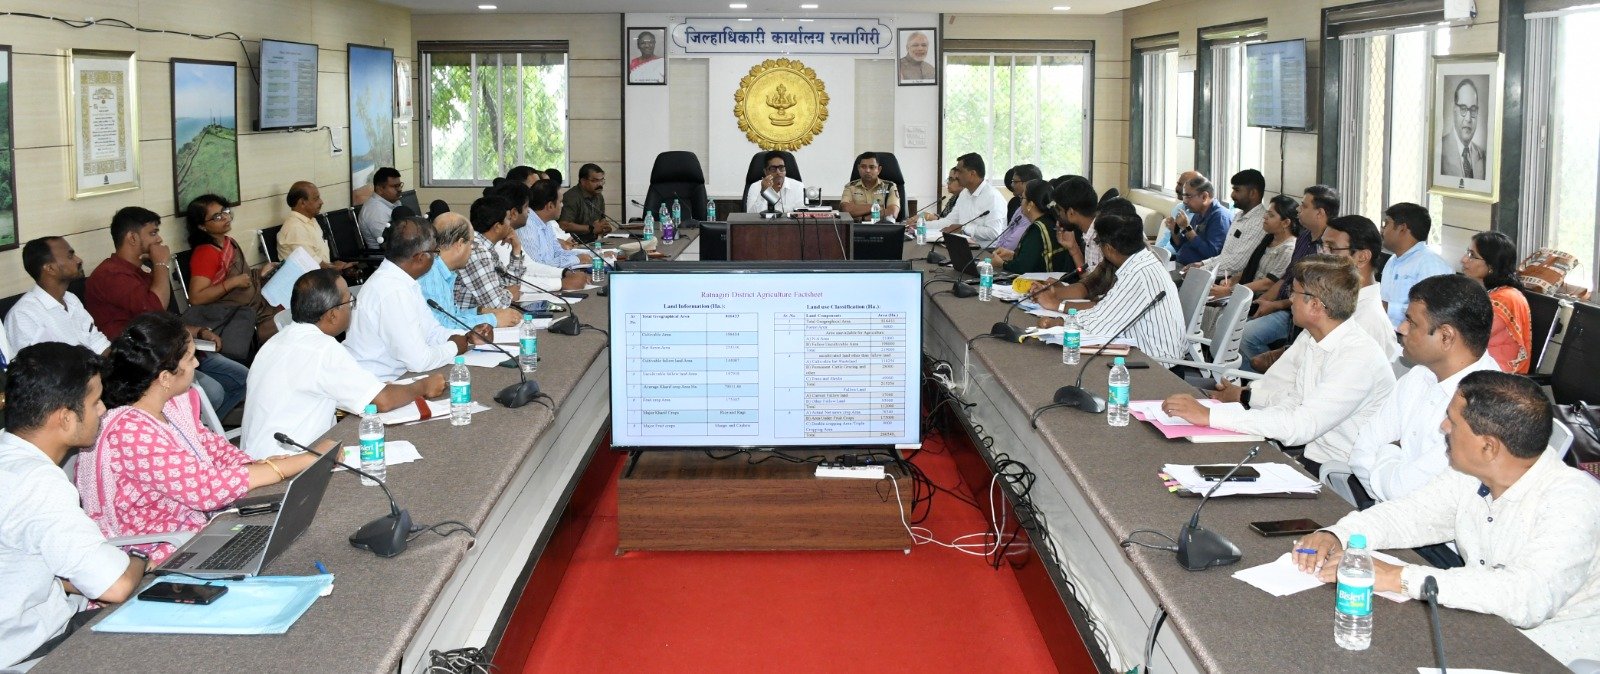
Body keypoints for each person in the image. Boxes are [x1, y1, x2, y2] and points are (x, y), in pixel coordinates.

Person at [1294, 371, 1600, 666]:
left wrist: (1400, 577)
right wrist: (1340, 534)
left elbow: (1527, 596)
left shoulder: (1572, 500)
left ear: (1488, 446)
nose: (1443, 428)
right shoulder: (1472, 475)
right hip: (1483, 624)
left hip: (1549, 652)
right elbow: (1411, 515)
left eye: (1453, 421)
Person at [78, 312, 330, 564]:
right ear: (165, 378)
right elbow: (206, 489)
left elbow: (213, 448)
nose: (197, 364)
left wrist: (257, 465)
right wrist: (292, 464)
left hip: (193, 525)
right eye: (190, 358)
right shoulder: (130, 432)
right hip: (159, 548)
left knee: (293, 529)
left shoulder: (168, 406)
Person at [1165, 255, 1395, 476]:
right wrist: (1220, 412)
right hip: (1310, 456)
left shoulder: (1357, 359)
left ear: (1316, 305)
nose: (1290, 300)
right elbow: (1292, 403)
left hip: (1338, 474)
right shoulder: (1317, 339)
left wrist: (1210, 416)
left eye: (1294, 293)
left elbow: (1300, 426)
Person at [0, 343, 146, 669]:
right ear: (65, 418)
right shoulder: (37, 483)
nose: (103, 410)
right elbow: (117, 586)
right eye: (94, 402)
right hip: (36, 649)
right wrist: (141, 558)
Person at [241, 270, 446, 459]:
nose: (352, 307)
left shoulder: (275, 342)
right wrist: (423, 386)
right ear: (332, 315)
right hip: (289, 464)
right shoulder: (322, 348)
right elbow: (382, 401)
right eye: (350, 301)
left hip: (254, 463)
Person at [1346, 274, 1498, 510]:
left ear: (1446, 336)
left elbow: (1405, 492)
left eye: (1412, 322)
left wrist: (1389, 450)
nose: (1401, 328)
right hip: (1384, 514)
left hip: (1432, 531)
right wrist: (1392, 474)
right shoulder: (1420, 374)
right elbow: (1361, 453)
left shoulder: (1485, 405)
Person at [84, 206, 247, 419]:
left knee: (243, 378)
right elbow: (154, 307)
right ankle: (184, 429)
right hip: (143, 364)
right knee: (213, 393)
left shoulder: (140, 271)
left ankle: (194, 428)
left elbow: (159, 320)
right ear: (132, 238)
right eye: (152, 233)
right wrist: (161, 263)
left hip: (170, 350)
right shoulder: (111, 275)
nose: (159, 240)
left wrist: (198, 331)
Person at [345, 216, 492, 380]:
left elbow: (432, 332)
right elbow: (418, 362)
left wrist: (468, 335)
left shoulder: (403, 281)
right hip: (382, 382)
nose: (437, 258)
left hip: (400, 376)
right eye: (435, 253)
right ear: (421, 257)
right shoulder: (392, 290)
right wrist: (455, 347)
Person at [1049, 213, 1187, 361]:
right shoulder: (1143, 261)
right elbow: (1105, 308)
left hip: (1158, 365)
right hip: (1147, 353)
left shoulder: (1137, 274)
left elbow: (1100, 324)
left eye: (1099, 243)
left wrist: (1061, 322)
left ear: (1108, 248)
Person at [1238, 185, 1338, 370]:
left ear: (1320, 213)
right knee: (1234, 324)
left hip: (1300, 312)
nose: (1298, 209)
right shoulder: (1304, 237)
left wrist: (1276, 305)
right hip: (1285, 305)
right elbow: (1288, 275)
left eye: (1304, 206)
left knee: (1246, 335)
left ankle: (1275, 376)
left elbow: (1315, 296)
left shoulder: (1330, 247)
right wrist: (1263, 301)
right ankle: (1251, 379)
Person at [184, 194, 280, 346]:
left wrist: (260, 272)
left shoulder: (229, 242)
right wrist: (232, 283)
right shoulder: (205, 253)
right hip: (240, 317)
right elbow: (196, 298)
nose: (225, 217)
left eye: (225, 211)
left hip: (257, 304)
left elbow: (242, 276)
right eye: (217, 217)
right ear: (202, 226)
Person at [7, 237, 111, 354]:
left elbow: (98, 343)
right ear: (50, 268)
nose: (79, 260)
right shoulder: (23, 315)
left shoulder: (71, 299)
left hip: (95, 364)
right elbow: (36, 364)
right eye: (70, 256)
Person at [1318, 215, 1400, 362]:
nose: (1322, 255)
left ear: (1362, 257)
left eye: (1331, 248)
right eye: (1322, 247)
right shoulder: (1336, 300)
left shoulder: (1367, 320)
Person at [1462, 231, 1532, 374]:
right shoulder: (1488, 291)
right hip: (1475, 364)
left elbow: (1467, 335)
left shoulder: (1507, 298)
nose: (1463, 259)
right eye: (1467, 252)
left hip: (1496, 374)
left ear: (1491, 265)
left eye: (1472, 255)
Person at [420, 212, 504, 330]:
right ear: (459, 244)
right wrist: (493, 320)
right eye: (471, 244)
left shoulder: (444, 271)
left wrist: (480, 311)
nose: (472, 249)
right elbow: (442, 326)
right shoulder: (430, 274)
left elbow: (452, 316)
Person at [1208, 194, 1299, 301]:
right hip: (1246, 292)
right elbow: (1252, 267)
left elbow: (1268, 283)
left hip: (1260, 300)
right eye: (1266, 213)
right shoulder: (1269, 238)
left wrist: (1230, 291)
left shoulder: (1288, 248)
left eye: (1271, 215)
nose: (1265, 217)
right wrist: (1233, 280)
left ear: (1286, 223)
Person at [1379, 202, 1454, 329]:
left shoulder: (1431, 264)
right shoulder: (1393, 260)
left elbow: (1433, 311)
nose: (1382, 230)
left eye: (1386, 224)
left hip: (1410, 336)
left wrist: (1387, 308)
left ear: (1402, 228)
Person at [512, 180, 593, 291]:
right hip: (538, 286)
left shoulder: (546, 223)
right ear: (550, 206)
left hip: (552, 278)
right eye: (560, 202)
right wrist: (577, 259)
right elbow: (538, 265)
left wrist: (589, 255)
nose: (563, 205)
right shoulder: (527, 226)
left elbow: (558, 252)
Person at [455, 195, 527, 316]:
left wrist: (516, 249)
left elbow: (510, 284)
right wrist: (509, 293)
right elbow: (497, 306)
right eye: (508, 219)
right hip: (468, 322)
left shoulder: (486, 246)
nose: (510, 225)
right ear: (497, 227)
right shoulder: (476, 251)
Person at [921, 153, 1007, 247]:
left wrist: (963, 228)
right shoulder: (964, 193)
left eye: (959, 171)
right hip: (964, 246)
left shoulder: (993, 197)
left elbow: (994, 233)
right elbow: (949, 221)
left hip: (986, 251)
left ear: (972, 174)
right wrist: (921, 226)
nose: (956, 176)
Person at [1194, 169, 1267, 279]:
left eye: (1237, 190)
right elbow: (1226, 255)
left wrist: (1201, 271)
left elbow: (1236, 264)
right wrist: (1202, 264)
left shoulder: (1260, 222)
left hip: (1234, 281)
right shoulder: (1239, 216)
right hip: (1220, 276)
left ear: (1253, 193)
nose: (1232, 195)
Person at [278, 181, 354, 275]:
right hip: (308, 280)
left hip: (321, 275)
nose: (321, 202)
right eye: (316, 198)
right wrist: (338, 267)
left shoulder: (311, 220)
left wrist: (334, 264)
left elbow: (318, 259)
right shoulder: (295, 228)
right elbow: (312, 264)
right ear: (302, 203)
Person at [992, 180, 1065, 275]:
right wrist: (1013, 255)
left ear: (1030, 205)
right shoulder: (1050, 221)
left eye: (1022, 198)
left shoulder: (1037, 230)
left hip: (1043, 281)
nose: (1021, 202)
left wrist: (1002, 264)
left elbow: (1023, 268)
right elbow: (1036, 259)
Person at [1170, 175, 1234, 265]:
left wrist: (1187, 228)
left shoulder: (1220, 217)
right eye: (1184, 196)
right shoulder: (1198, 213)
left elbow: (1212, 254)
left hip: (1199, 270)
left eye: (1188, 196)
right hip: (1181, 263)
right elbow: (1183, 247)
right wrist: (1174, 231)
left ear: (1204, 197)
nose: (1185, 201)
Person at [1439, 78, 1487, 180]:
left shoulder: (1483, 157)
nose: (1468, 119)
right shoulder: (1439, 151)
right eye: (1463, 108)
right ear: (1454, 110)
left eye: (1473, 109)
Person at [991, 164, 1043, 252]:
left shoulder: (1033, 211)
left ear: (1027, 183)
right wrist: (997, 250)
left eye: (1014, 182)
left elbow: (1013, 244)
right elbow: (1005, 234)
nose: (1011, 185)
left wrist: (999, 251)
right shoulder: (1019, 208)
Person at [557, 163, 613, 241]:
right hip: (574, 243)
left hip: (593, 241)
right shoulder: (571, 197)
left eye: (602, 180)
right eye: (595, 181)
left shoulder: (598, 196)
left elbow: (601, 218)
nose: (600, 184)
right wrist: (591, 228)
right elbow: (563, 225)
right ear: (583, 181)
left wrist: (604, 227)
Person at [838, 152, 901, 222]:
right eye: (863, 167)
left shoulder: (890, 187)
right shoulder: (850, 187)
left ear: (879, 170)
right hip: (857, 227)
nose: (867, 170)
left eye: (872, 167)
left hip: (882, 227)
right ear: (858, 168)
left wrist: (863, 218)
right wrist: (876, 207)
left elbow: (892, 213)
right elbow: (845, 210)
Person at [1155, 170, 1200, 257]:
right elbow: (1166, 237)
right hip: (1165, 255)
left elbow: (1191, 247)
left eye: (1181, 185)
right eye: (1178, 184)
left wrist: (1186, 227)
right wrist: (1154, 253)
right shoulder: (1179, 207)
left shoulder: (1200, 215)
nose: (1176, 188)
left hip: (1177, 258)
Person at [357, 167, 403, 247]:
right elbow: (390, 244)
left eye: (399, 185)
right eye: (395, 186)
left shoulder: (394, 201)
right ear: (380, 189)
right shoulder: (375, 211)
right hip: (387, 253)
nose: (399, 189)